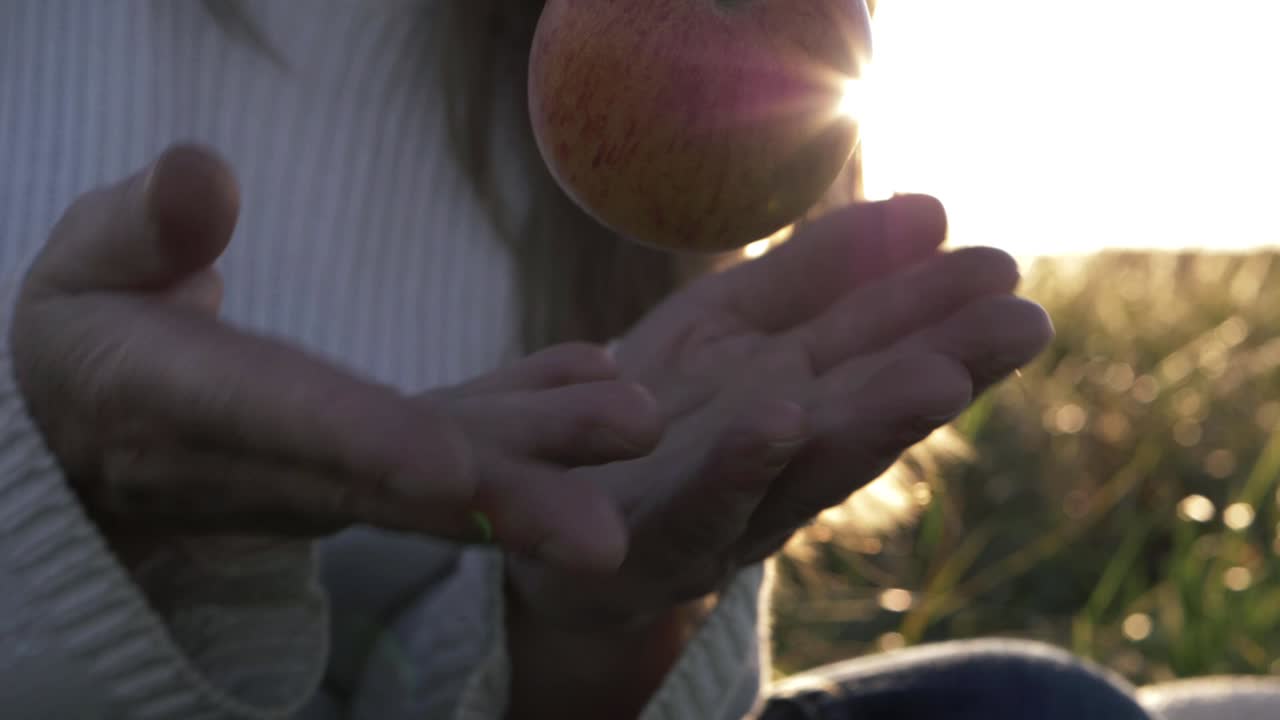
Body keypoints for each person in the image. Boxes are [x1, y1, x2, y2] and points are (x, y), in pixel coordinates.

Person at [1, 2, 1277, 719]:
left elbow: (514, 651)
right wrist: (67, 539)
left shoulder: (625, 55)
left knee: (1036, 716)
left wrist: (593, 628)